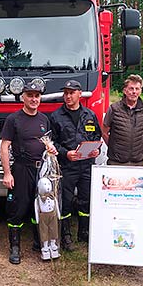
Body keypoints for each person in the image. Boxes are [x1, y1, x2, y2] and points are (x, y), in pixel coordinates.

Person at [1, 80, 57, 264]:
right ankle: (15, 248)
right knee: (19, 207)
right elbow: (4, 146)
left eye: (37, 96)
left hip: (41, 169)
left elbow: (47, 142)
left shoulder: (43, 119)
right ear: (23, 97)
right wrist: (7, 173)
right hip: (21, 168)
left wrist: (51, 149)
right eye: (30, 96)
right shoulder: (13, 119)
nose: (34, 99)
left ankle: (38, 242)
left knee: (40, 207)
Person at [50, 80, 102, 250]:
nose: (68, 96)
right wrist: (66, 153)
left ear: (80, 94)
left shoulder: (90, 115)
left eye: (71, 93)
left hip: (86, 165)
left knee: (85, 200)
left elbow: (97, 138)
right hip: (67, 166)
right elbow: (52, 143)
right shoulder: (56, 116)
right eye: (66, 93)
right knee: (65, 201)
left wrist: (96, 150)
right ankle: (65, 236)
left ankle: (84, 232)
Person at [102, 74, 143, 166]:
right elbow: (104, 132)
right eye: (131, 88)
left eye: (137, 89)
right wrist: (114, 147)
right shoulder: (114, 108)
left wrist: (136, 146)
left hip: (137, 161)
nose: (134, 92)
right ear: (125, 91)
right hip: (116, 161)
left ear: (140, 91)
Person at [34, 177, 61, 261]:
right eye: (45, 184)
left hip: (53, 215)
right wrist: (37, 218)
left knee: (54, 230)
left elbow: (56, 206)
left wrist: (58, 215)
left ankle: (53, 245)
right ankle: (45, 247)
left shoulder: (53, 196)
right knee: (44, 231)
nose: (48, 186)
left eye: (48, 184)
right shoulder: (38, 199)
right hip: (43, 217)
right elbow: (36, 209)